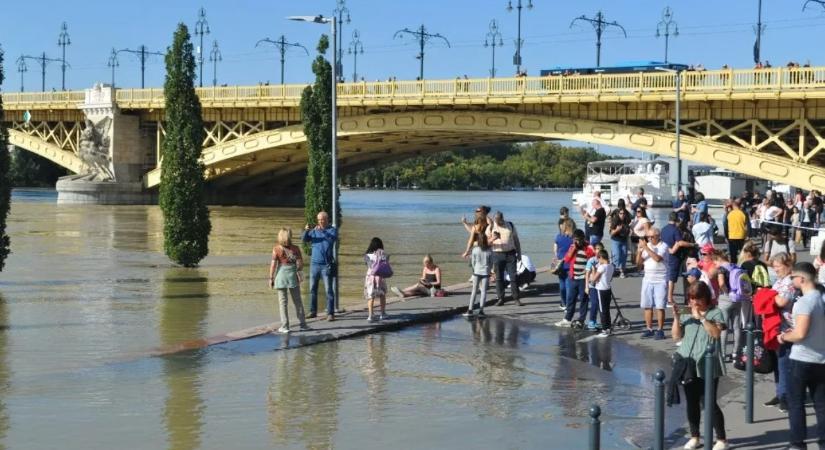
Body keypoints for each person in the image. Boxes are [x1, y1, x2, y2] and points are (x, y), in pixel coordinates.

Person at [671, 281, 729, 450]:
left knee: (709, 401)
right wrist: (676, 317)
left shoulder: (716, 312)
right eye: (692, 298)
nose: (695, 302)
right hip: (688, 362)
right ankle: (695, 436)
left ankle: (722, 439)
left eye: (698, 299)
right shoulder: (686, 313)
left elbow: (716, 334)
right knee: (691, 401)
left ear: (706, 298)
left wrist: (702, 318)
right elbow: (676, 336)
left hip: (708, 363)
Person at [779, 262, 825, 449]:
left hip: (802, 358)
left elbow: (800, 334)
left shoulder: (805, 302)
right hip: (821, 357)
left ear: (802, 279)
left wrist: (783, 336)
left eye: (793, 277)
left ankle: (797, 443)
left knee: (796, 403)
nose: (792, 281)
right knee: (821, 404)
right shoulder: (822, 298)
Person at [763, 252, 796, 412]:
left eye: (778, 266)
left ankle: (786, 398)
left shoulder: (790, 281)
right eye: (774, 267)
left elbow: (782, 301)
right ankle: (780, 393)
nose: (775, 269)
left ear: (787, 265)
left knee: (784, 364)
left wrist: (766, 296)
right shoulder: (781, 280)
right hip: (777, 327)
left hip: (788, 329)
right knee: (778, 364)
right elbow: (773, 295)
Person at [269, 227, 308, 333]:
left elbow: (273, 265)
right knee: (297, 301)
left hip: (281, 276)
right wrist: (298, 273)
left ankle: (285, 326)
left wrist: (271, 278)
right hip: (292, 277)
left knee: (283, 303)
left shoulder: (276, 249)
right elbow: (300, 265)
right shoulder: (295, 249)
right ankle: (303, 324)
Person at [302, 211, 338, 321]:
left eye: (322, 219)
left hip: (326, 265)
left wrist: (322, 231)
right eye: (319, 220)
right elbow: (304, 239)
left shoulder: (332, 230)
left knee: (329, 290)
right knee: (313, 289)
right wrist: (307, 230)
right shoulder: (314, 231)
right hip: (314, 265)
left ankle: (330, 313)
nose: (320, 221)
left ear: (327, 220)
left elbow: (331, 239)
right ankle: (313, 311)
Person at [556, 229, 595, 327]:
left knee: (583, 299)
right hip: (573, 277)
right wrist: (573, 249)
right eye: (574, 240)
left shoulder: (588, 248)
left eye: (577, 240)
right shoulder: (573, 247)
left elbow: (593, 260)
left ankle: (581, 320)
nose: (575, 242)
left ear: (582, 239)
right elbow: (567, 259)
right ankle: (567, 319)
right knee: (570, 299)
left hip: (583, 278)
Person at [637, 227, 669, 340]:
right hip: (647, 279)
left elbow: (657, 258)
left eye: (652, 237)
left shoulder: (663, 246)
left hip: (660, 279)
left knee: (660, 306)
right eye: (648, 237)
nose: (650, 239)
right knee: (647, 305)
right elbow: (638, 264)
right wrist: (639, 251)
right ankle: (649, 329)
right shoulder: (647, 246)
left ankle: (660, 330)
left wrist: (645, 247)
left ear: (658, 236)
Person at [490, 212, 523, 306]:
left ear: (502, 218)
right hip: (497, 254)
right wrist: (493, 239)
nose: (497, 222)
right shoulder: (491, 226)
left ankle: (516, 298)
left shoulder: (510, 225)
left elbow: (516, 240)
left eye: (499, 220)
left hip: (510, 254)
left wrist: (519, 253)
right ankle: (500, 299)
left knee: (513, 277)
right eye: (495, 220)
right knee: (499, 278)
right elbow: (486, 242)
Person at [463, 223, 492, 318]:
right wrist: (489, 271)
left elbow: (473, 262)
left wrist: (475, 269)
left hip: (477, 272)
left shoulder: (475, 250)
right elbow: (491, 263)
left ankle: (470, 310)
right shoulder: (489, 250)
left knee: (474, 291)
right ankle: (481, 311)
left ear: (478, 241)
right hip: (486, 272)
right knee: (483, 291)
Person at [662, 212, 690, 304]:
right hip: (674, 257)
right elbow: (680, 242)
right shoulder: (676, 230)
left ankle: (665, 296)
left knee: (666, 276)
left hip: (665, 255)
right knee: (672, 279)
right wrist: (692, 244)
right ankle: (670, 298)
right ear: (676, 219)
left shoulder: (663, 229)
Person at [363, 237, 390, 323]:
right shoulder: (383, 254)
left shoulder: (367, 255)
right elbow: (386, 262)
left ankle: (371, 315)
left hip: (370, 278)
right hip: (380, 277)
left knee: (370, 297)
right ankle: (382, 313)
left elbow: (370, 266)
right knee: (382, 295)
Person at [590, 249, 615, 338]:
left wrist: (593, 269)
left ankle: (605, 329)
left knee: (602, 310)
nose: (598, 261)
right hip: (608, 289)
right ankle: (608, 328)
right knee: (606, 309)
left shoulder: (602, 267)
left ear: (601, 257)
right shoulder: (611, 266)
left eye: (598, 258)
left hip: (601, 290)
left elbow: (593, 279)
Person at [554, 219, 575, 310]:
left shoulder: (558, 237)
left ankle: (563, 302)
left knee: (562, 284)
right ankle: (567, 305)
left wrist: (556, 257)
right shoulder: (573, 238)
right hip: (570, 263)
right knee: (568, 285)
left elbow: (555, 249)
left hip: (560, 264)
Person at [585, 242, 606, 330]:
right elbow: (587, 274)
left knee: (600, 304)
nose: (598, 251)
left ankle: (597, 321)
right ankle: (591, 321)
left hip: (601, 286)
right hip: (592, 285)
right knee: (594, 303)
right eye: (596, 249)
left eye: (599, 249)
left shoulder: (604, 260)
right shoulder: (591, 260)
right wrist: (586, 286)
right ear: (593, 250)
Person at [609, 206, 631, 278]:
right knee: (617, 256)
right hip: (615, 240)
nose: (622, 215)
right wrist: (617, 230)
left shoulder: (627, 221)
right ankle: (613, 270)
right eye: (621, 213)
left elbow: (628, 230)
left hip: (624, 240)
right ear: (618, 214)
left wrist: (629, 232)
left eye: (623, 213)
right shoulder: (615, 221)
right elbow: (611, 233)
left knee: (624, 255)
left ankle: (622, 271)